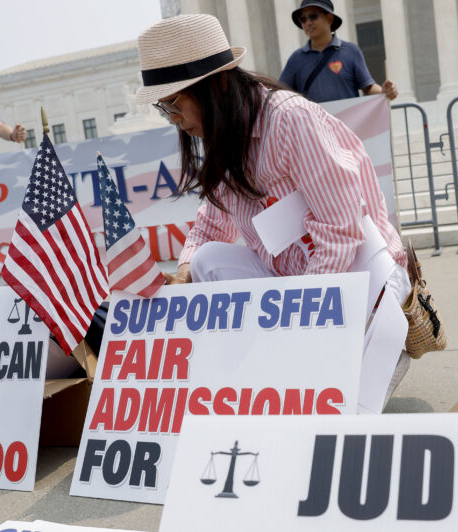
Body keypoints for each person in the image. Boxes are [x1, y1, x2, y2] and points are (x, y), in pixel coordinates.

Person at [134, 14, 411, 402]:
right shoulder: (223, 138)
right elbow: (210, 229)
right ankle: (275, 357)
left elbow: (341, 231)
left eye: (174, 106)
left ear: (215, 86)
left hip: (357, 274)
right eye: (166, 111)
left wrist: (299, 323)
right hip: (293, 278)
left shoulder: (288, 119)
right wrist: (182, 274)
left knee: (339, 410)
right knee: (206, 261)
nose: (176, 122)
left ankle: (370, 344)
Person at [279, 0, 397, 103]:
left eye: (313, 16)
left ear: (329, 19)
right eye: (303, 19)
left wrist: (384, 92)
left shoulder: (351, 51)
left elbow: (368, 87)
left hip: (347, 125)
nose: (308, 23)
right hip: (314, 127)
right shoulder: (296, 59)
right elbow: (282, 95)